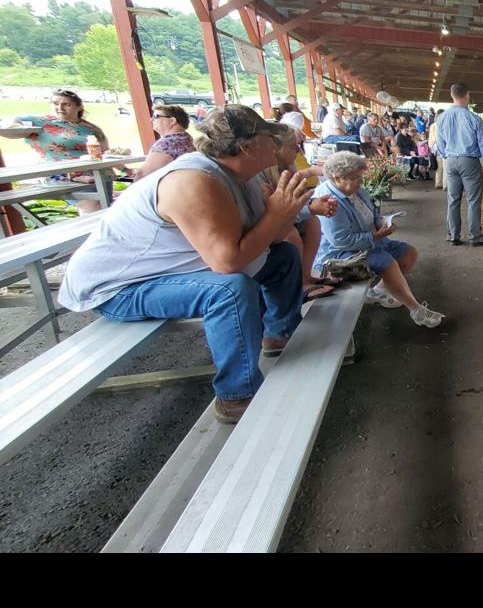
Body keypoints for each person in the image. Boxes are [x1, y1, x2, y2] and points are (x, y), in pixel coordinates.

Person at [56, 105, 309, 424]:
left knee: (283, 257)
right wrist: (276, 215)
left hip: (170, 272)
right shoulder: (194, 180)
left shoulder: (242, 175)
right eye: (268, 136)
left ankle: (279, 334)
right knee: (230, 290)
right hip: (116, 287)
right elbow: (228, 262)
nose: (276, 142)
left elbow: (269, 240)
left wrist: (281, 215)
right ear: (247, 147)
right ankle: (235, 396)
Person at [313, 150, 444, 327]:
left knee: (408, 253)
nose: (360, 182)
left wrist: (382, 222)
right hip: (340, 254)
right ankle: (416, 309)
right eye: (355, 178)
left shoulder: (357, 191)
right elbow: (341, 241)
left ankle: (377, 292)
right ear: (337, 178)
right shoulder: (328, 201)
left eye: (360, 176)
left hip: (371, 241)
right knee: (387, 262)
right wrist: (376, 235)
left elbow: (373, 213)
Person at [254, 122, 339, 299]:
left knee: (312, 222)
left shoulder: (287, 168)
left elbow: (294, 204)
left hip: (283, 220)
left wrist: (314, 205)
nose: (299, 151)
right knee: (291, 233)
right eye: (294, 146)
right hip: (266, 227)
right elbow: (274, 212)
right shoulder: (261, 174)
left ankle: (306, 275)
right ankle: (299, 284)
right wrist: (310, 207)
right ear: (277, 148)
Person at [7, 88, 112, 212]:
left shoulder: (91, 128)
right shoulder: (43, 122)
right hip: (61, 176)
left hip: (95, 174)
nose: (60, 108)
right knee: (95, 208)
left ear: (79, 107)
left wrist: (126, 170)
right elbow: (11, 128)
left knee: (104, 207)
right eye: (56, 103)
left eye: (66, 104)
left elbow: (105, 152)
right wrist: (18, 127)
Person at [432, 83, 483, 246]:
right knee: (473, 200)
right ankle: (475, 236)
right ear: (467, 96)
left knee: (453, 199)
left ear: (452, 96)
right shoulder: (474, 118)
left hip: (451, 161)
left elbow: (440, 143)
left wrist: (446, 155)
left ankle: (453, 235)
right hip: (470, 161)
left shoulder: (442, 118)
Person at [137, 105, 198, 178]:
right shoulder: (187, 139)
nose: (151, 119)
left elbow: (143, 174)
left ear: (172, 121)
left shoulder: (167, 143)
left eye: (156, 116)